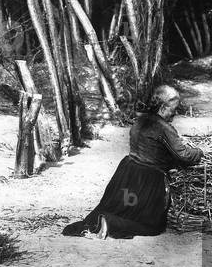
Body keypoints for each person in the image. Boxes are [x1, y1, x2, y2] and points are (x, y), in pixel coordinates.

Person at [62, 84, 203, 239]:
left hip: (126, 175)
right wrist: (200, 151)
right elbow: (184, 155)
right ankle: (111, 223)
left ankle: (104, 219)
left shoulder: (140, 121)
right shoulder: (164, 128)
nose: (175, 113)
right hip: (148, 181)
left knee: (121, 207)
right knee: (153, 224)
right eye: (173, 108)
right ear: (163, 108)